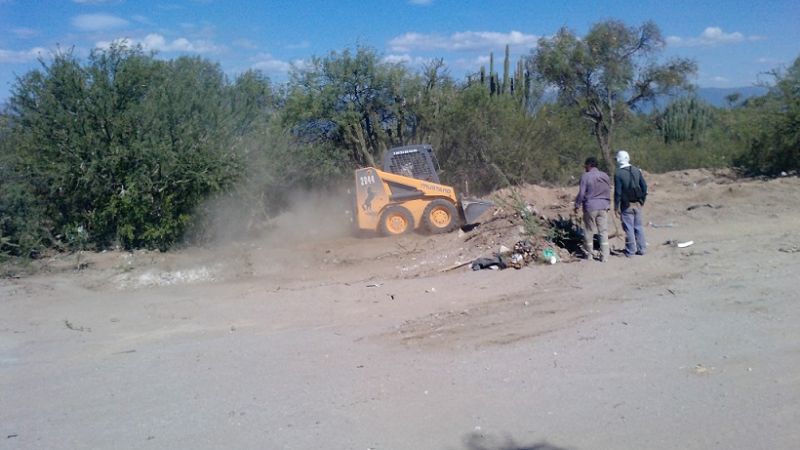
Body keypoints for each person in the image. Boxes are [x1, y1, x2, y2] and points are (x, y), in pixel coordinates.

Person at [574, 156, 611, 261]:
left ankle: (589, 254)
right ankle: (605, 256)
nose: (585, 168)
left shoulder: (585, 176)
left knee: (589, 230)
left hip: (590, 207)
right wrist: (608, 203)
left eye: (585, 165)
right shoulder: (605, 176)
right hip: (603, 206)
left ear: (589, 165)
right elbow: (608, 190)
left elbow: (581, 193)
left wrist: (577, 205)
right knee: (603, 231)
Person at [614, 150, 648, 257]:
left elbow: (618, 192)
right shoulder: (636, 170)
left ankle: (631, 251)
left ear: (619, 160)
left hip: (626, 205)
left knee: (628, 228)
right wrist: (642, 200)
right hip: (637, 203)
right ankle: (642, 249)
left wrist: (616, 206)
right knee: (638, 226)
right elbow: (644, 187)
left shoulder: (618, 174)